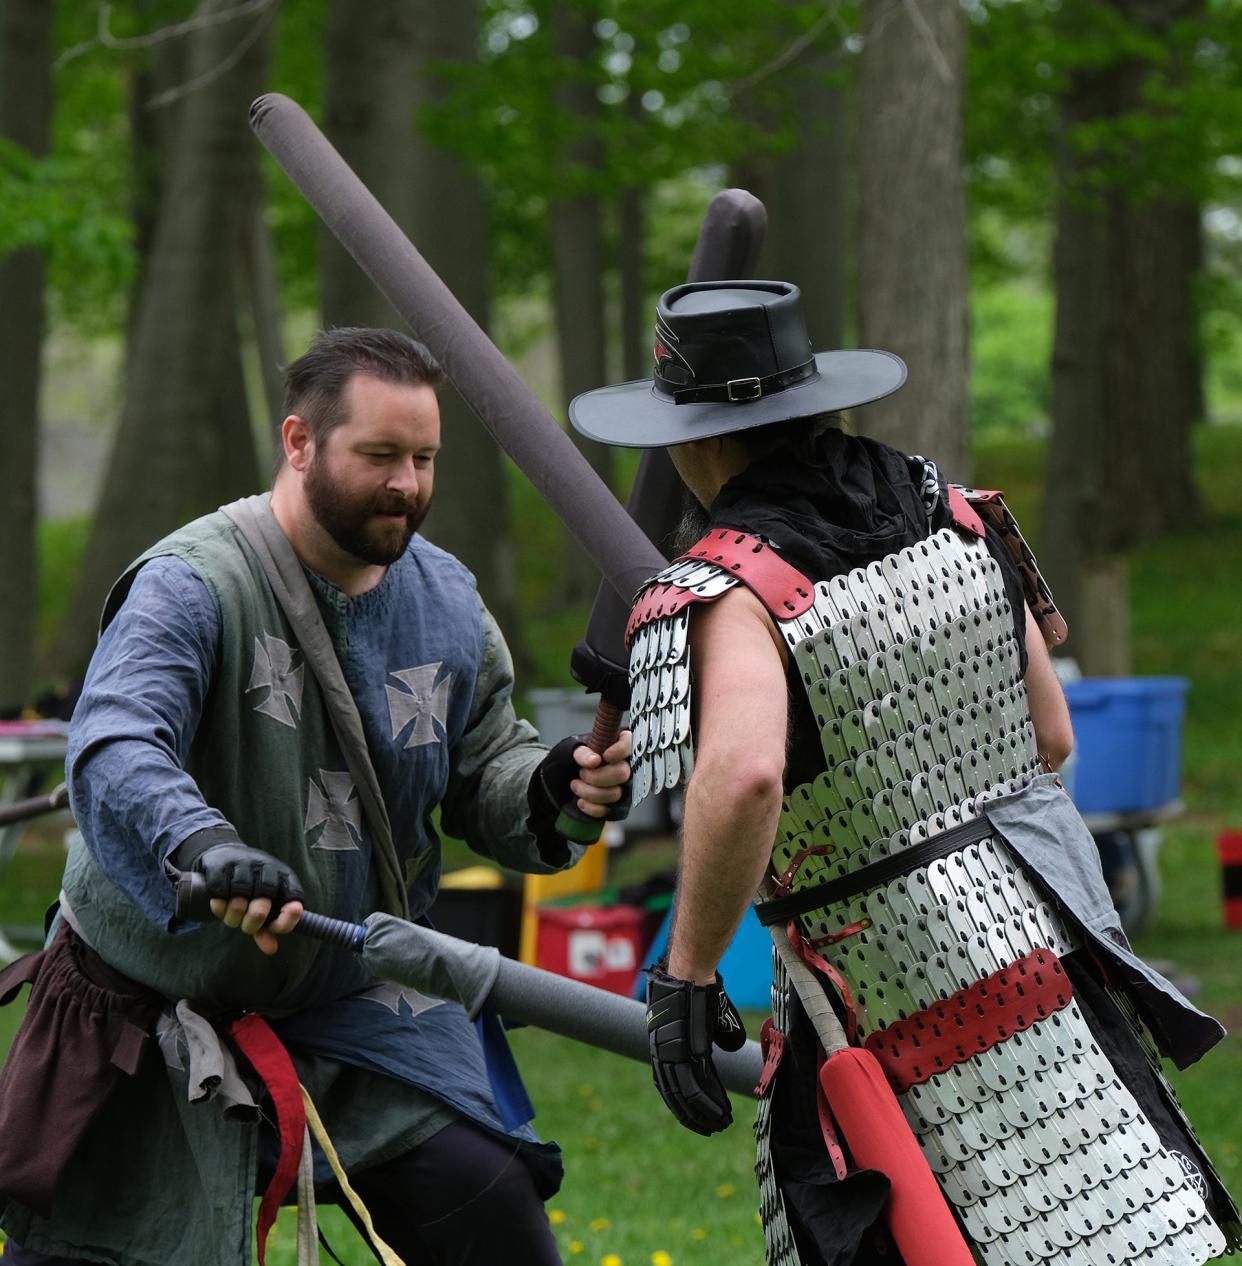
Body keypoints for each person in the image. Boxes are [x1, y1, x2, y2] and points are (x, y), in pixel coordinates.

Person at [571, 281, 1239, 1266]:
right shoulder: (958, 515)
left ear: (692, 439)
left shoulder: (723, 590)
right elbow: (1051, 737)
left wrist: (688, 971)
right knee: (1097, 1233)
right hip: (1036, 940)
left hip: (872, 984)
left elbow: (748, 776)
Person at [0, 327, 631, 1266]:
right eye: (379, 455)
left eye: (423, 458)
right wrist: (204, 844)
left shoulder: (448, 601)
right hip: (150, 1015)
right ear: (299, 442)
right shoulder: (193, 583)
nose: (408, 485)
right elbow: (116, 743)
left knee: (495, 1223)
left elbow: (489, 764)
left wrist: (553, 785)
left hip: (361, 1005)